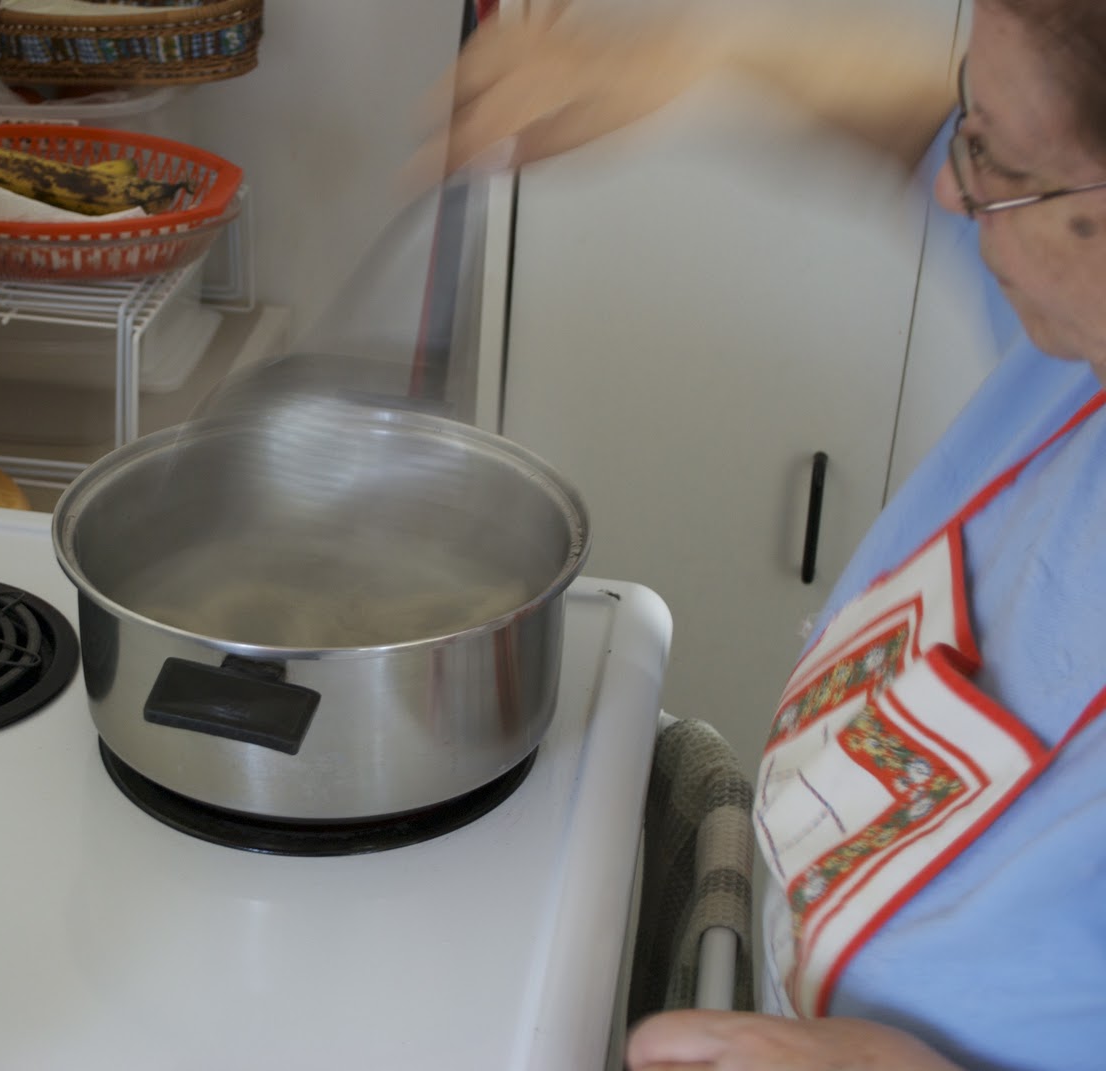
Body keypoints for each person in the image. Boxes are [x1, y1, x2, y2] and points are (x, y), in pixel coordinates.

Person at [438, 2, 1106, 1069]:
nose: (952, 184)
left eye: (996, 160)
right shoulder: (1071, 340)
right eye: (968, 120)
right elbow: (919, 130)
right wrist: (699, 54)